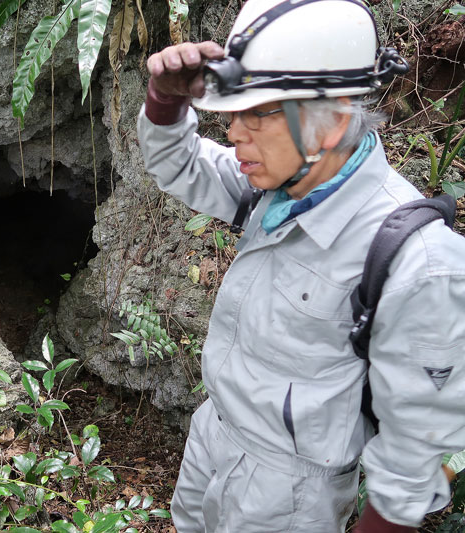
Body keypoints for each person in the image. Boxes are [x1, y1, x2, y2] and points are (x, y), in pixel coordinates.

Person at [136, 0, 465, 531]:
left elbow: (418, 445)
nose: (234, 134)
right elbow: (178, 163)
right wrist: (164, 99)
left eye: (258, 113)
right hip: (213, 437)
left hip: (287, 496)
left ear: (332, 123)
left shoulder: (417, 260)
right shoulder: (279, 188)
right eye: (232, 112)